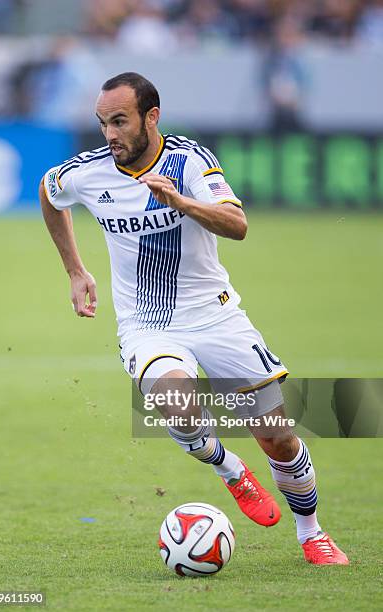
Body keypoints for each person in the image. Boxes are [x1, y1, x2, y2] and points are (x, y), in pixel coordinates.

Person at [40, 71, 348, 565]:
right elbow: (50, 193)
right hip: (147, 326)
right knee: (177, 402)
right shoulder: (88, 172)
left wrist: (182, 202)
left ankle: (311, 532)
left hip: (216, 318)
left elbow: (238, 224)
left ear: (151, 116)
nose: (110, 135)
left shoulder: (190, 161)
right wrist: (76, 271)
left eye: (120, 121)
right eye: (103, 124)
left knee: (279, 435)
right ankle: (230, 470)